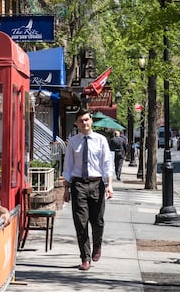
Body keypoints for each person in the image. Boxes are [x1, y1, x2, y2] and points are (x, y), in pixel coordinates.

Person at [63, 108, 114, 271]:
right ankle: (85, 257)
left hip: (96, 184)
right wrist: (66, 188)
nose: (84, 123)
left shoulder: (101, 140)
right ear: (77, 124)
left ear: (91, 121)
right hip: (78, 185)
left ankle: (97, 245)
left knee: (97, 221)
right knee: (81, 223)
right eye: (81, 121)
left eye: (86, 120)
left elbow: (107, 163)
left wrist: (109, 184)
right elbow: (68, 166)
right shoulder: (73, 142)